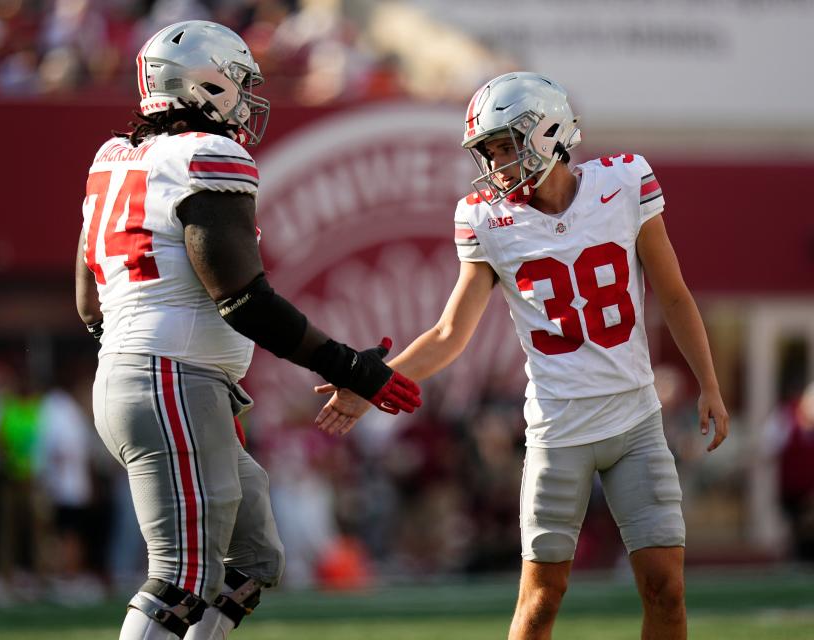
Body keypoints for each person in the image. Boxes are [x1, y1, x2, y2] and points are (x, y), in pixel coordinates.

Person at [316, 72, 730, 639]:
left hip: (635, 422)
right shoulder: (487, 219)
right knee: (540, 600)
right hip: (559, 430)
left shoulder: (626, 182)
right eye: (488, 152)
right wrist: (371, 383)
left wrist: (708, 381)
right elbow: (448, 334)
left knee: (666, 588)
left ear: (550, 133)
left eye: (506, 146)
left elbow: (675, 294)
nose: (496, 164)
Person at [74, 20, 421, 640]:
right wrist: (351, 367)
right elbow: (243, 301)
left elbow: (88, 305)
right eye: (238, 83)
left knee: (252, 563)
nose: (247, 100)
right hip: (169, 379)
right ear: (205, 85)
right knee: (182, 574)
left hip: (157, 378)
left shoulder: (113, 161)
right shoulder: (205, 157)